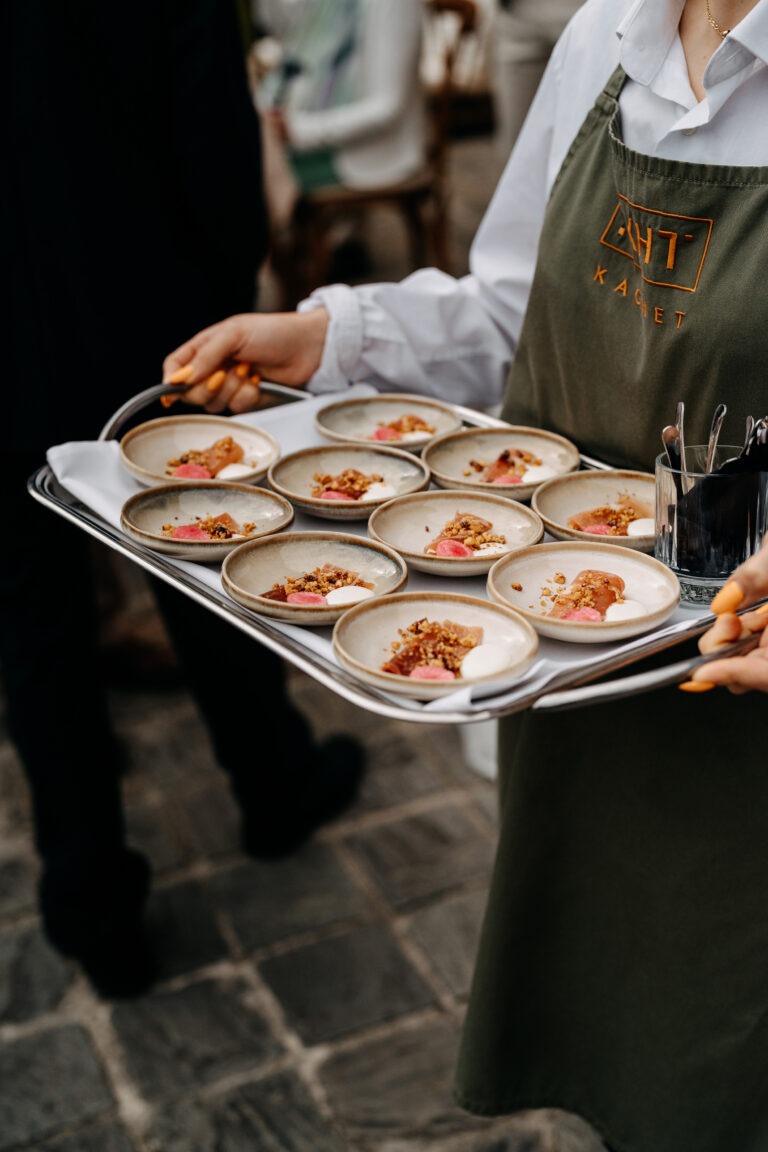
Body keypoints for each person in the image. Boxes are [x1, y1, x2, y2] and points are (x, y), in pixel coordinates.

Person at [162, 0, 768, 1148]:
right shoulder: (604, 39)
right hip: (572, 666)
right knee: (611, 1006)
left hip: (745, 694)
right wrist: (329, 338)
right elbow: (509, 305)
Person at [3, 0, 362, 1000]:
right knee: (203, 552)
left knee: (33, 626)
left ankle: (92, 905)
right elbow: (213, 141)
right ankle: (274, 782)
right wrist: (221, 281)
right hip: (140, 299)